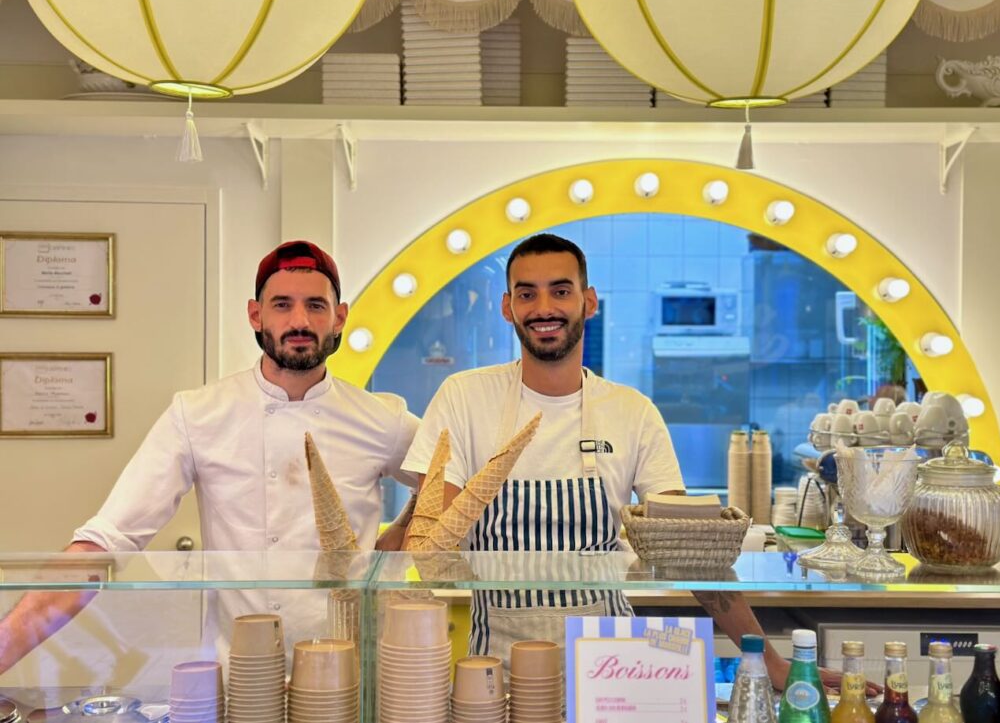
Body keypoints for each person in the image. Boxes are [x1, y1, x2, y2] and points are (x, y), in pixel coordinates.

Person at [400, 233, 838, 691]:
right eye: (527, 294)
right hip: (495, 674)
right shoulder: (465, 398)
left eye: (561, 290)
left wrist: (769, 661)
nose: (544, 307)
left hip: (612, 673)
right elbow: (433, 545)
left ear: (589, 302)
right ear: (507, 307)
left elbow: (687, 554)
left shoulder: (633, 412)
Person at [0, 240, 419, 675]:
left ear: (340, 317)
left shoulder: (381, 418)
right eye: (282, 304)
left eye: (316, 305)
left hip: (350, 674)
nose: (299, 321)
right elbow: (105, 541)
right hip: (242, 672)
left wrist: (400, 539)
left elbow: (453, 478)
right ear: (256, 315)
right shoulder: (198, 413)